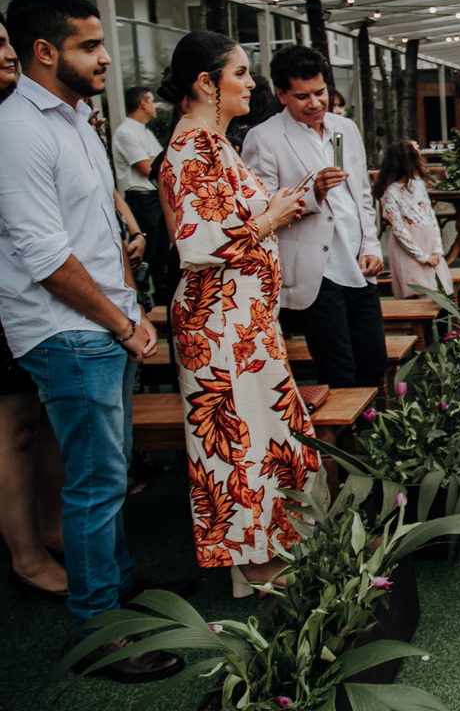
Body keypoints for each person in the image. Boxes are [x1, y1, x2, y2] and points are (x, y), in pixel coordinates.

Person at [0, 0, 183, 681]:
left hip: (106, 319)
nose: (106, 57)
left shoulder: (76, 117)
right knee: (95, 483)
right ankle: (100, 633)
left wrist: (129, 283)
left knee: (112, 471)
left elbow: (92, 223)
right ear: (44, 51)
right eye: (90, 45)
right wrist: (123, 324)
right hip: (68, 331)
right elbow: (45, 258)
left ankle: (119, 585)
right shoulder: (17, 129)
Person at [159, 31, 319, 594]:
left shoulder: (217, 142)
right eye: (241, 73)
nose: (252, 83)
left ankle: (276, 543)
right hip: (219, 327)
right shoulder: (191, 148)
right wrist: (273, 217)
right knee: (236, 443)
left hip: (245, 323)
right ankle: (253, 564)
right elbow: (201, 242)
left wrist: (272, 209)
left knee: (268, 433)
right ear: (206, 83)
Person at [243, 46, 387, 389]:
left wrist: (371, 245)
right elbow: (261, 213)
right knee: (339, 373)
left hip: (358, 264)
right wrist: (312, 194)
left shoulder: (345, 128)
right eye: (302, 96)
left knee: (374, 363)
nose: (315, 103)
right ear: (281, 94)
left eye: (320, 92)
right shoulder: (263, 138)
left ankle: (371, 425)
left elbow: (362, 196)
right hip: (316, 272)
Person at [0, 10, 67, 605]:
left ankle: (51, 529)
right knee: (15, 425)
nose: (5, 52)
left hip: (43, 297)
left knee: (44, 420)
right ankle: (25, 556)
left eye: (4, 40)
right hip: (14, 292)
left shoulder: (38, 113)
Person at [374, 140, 452, 298]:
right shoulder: (390, 192)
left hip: (429, 240)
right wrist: (422, 257)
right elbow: (398, 228)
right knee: (417, 288)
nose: (421, 162)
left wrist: (437, 250)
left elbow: (431, 216)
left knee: (438, 289)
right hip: (409, 246)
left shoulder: (418, 185)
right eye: (417, 158)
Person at [112, 85, 169, 303]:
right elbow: (147, 167)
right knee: (146, 256)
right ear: (143, 103)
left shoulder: (145, 131)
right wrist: (158, 162)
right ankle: (141, 302)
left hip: (156, 197)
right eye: (151, 100)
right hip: (141, 200)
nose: (155, 106)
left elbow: (163, 164)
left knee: (162, 254)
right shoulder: (126, 132)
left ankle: (163, 301)